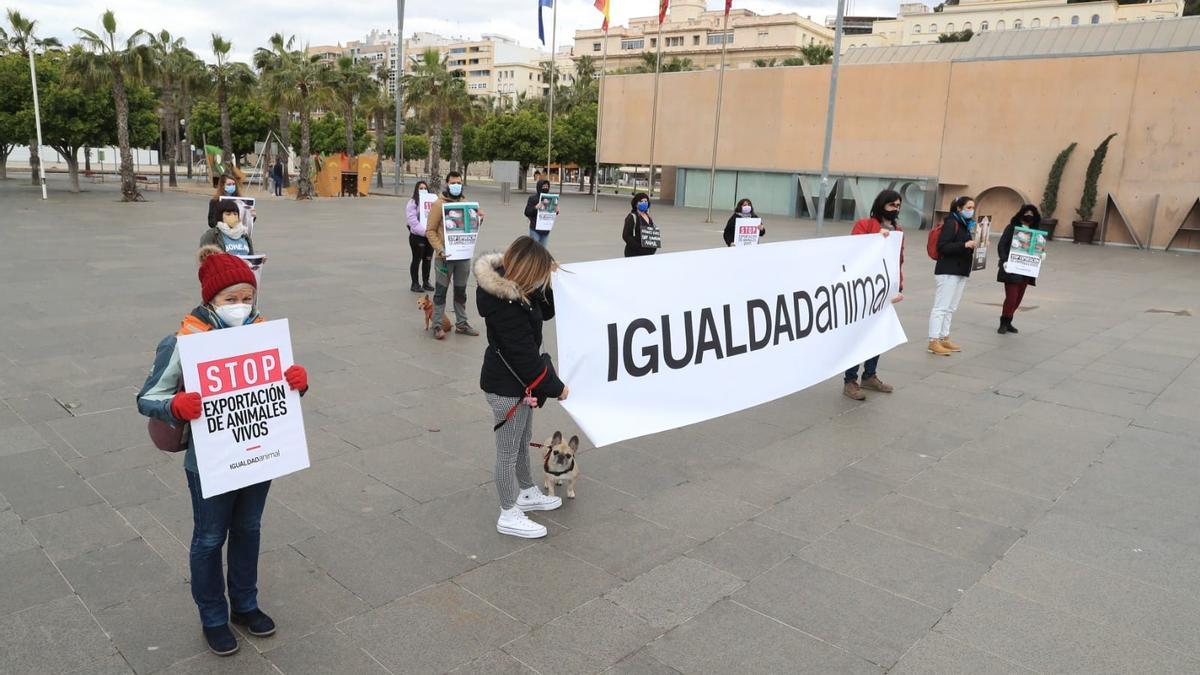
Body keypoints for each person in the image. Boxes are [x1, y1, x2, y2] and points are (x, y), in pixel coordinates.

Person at [136, 246, 309, 657]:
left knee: (249, 529)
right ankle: (213, 615)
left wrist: (297, 382)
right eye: (230, 299)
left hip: (258, 452)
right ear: (211, 299)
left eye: (247, 298)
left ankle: (245, 605)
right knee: (210, 537)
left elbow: (279, 389)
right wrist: (174, 405)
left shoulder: (262, 332)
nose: (240, 306)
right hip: (209, 460)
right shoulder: (184, 340)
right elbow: (147, 397)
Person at [476, 237, 568, 538]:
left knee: (521, 439)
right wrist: (557, 388)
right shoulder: (506, 305)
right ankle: (507, 512)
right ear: (528, 272)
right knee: (507, 450)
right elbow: (526, 359)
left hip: (516, 384)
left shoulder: (519, 291)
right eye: (541, 273)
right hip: (507, 387)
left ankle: (526, 492)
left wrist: (553, 280)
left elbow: (547, 310)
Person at [843, 190, 906, 399]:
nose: (895, 209)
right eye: (891, 205)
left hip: (884, 290)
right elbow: (854, 251)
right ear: (881, 205)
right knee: (857, 334)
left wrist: (898, 286)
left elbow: (899, 260)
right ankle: (850, 380)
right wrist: (875, 239)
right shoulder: (865, 225)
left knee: (876, 333)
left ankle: (869, 375)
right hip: (863, 288)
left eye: (898, 205)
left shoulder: (898, 230)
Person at [425, 171, 484, 339]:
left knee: (461, 291)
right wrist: (439, 249)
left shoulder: (466, 203)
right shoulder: (439, 204)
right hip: (444, 257)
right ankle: (437, 325)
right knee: (440, 291)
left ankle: (462, 323)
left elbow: (471, 228)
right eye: (453, 183)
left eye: (459, 182)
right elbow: (430, 230)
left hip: (462, 256)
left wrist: (479, 219)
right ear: (447, 184)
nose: (456, 185)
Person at [928, 195, 977, 356]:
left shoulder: (965, 225)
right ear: (959, 208)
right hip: (948, 270)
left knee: (950, 307)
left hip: (960, 270)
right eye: (969, 208)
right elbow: (943, 247)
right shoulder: (952, 223)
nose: (972, 211)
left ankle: (944, 337)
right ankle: (933, 340)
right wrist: (965, 244)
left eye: (972, 208)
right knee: (941, 307)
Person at [996, 203, 1041, 335]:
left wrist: (1040, 254)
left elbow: (1037, 247)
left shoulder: (1035, 232)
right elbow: (1002, 245)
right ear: (1021, 214)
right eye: (1027, 213)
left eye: (1032, 214)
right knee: (1011, 296)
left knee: (1018, 297)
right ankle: (1003, 322)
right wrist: (1004, 260)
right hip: (1011, 267)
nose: (1029, 216)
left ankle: (1009, 320)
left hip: (1026, 269)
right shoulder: (1011, 228)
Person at [405, 180, 435, 293]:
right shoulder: (412, 203)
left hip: (430, 236)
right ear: (416, 190)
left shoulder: (432, 201)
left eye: (425, 188)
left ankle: (426, 282)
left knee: (428, 259)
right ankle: (415, 283)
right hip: (418, 236)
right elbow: (412, 220)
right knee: (417, 259)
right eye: (420, 188)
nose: (423, 190)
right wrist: (424, 232)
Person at [622, 193, 659, 257]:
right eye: (641, 201)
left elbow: (652, 234)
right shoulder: (632, 217)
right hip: (634, 253)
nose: (644, 203)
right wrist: (639, 248)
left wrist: (653, 248)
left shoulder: (648, 217)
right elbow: (626, 236)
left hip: (647, 254)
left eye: (646, 201)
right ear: (636, 204)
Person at [524, 179, 559, 246]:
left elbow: (551, 213)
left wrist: (556, 211)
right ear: (539, 187)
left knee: (543, 251)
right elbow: (527, 212)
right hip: (535, 229)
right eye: (544, 186)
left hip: (546, 230)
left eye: (547, 186)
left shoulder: (551, 199)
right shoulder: (533, 198)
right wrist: (536, 207)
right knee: (534, 250)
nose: (545, 188)